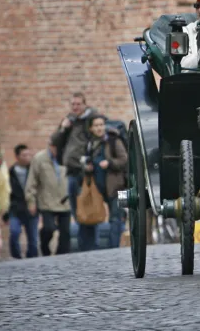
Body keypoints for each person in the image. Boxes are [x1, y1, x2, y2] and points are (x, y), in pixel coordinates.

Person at [65, 115, 128, 251]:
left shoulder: (113, 140)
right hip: (98, 188)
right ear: (91, 128)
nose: (99, 128)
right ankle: (91, 247)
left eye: (101, 125)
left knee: (115, 218)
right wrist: (87, 168)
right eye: (96, 125)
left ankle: (114, 248)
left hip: (117, 186)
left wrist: (110, 163)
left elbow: (124, 159)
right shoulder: (90, 144)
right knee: (93, 215)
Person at [51, 92, 97, 217]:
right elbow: (54, 141)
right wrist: (63, 128)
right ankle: (81, 234)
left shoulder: (93, 119)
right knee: (75, 209)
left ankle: (91, 236)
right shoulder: (69, 119)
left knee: (90, 210)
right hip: (71, 170)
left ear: (85, 105)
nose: (75, 107)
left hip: (86, 171)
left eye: (78, 104)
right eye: (73, 104)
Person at [25, 137, 71, 256]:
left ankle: (62, 257)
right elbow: (32, 181)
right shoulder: (39, 159)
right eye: (55, 147)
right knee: (49, 229)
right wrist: (31, 201)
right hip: (47, 201)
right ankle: (45, 249)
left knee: (65, 233)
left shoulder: (67, 157)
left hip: (65, 201)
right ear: (50, 146)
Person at [6, 144, 38, 259]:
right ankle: (17, 257)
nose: (27, 157)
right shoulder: (10, 173)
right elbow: (6, 194)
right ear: (17, 156)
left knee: (33, 240)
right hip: (15, 209)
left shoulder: (34, 171)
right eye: (24, 155)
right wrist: (6, 214)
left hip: (32, 209)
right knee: (14, 232)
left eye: (29, 155)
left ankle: (31, 260)